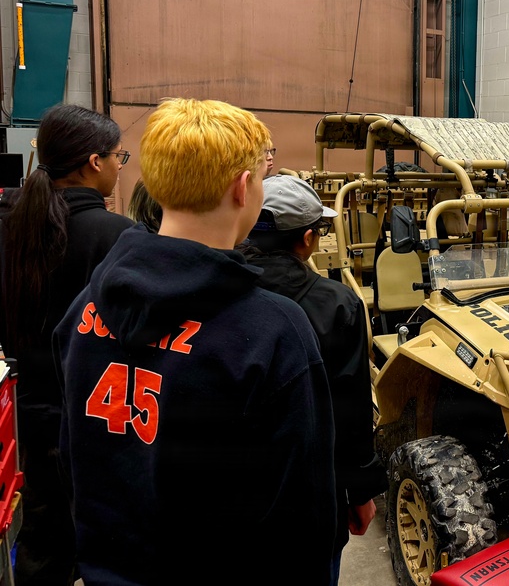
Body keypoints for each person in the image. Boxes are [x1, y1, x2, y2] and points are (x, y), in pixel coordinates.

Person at [53, 98, 337, 585]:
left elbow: (73, 455)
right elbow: (301, 507)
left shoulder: (85, 309)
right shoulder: (273, 331)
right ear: (244, 188)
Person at [0, 103, 133, 586]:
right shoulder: (117, 236)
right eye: (120, 156)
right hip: (97, 418)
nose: (122, 167)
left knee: (41, 538)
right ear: (93, 162)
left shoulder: (10, 220)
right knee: (107, 541)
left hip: (27, 415)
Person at [242, 174, 386, 585]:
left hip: (226, 489)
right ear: (307, 239)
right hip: (306, 492)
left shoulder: (215, 286)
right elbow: (350, 410)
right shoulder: (335, 305)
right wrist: (359, 491)